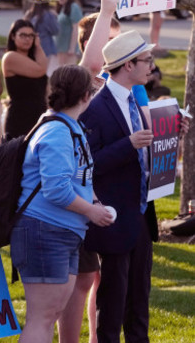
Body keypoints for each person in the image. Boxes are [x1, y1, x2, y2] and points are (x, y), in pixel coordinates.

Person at [78, 29, 188, 342]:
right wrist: (127, 144)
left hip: (141, 213)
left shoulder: (136, 103)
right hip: (112, 217)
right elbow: (87, 165)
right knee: (112, 305)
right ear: (128, 66)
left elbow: (146, 154)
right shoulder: (95, 108)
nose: (151, 66)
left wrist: (173, 132)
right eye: (146, 60)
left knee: (139, 300)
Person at [11, 65, 114, 343]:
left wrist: (93, 201)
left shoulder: (69, 126)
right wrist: (91, 210)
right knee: (42, 317)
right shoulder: (57, 131)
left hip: (61, 231)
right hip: (45, 231)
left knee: (52, 312)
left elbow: (76, 179)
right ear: (85, 95)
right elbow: (56, 190)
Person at [2, 19, 48, 141]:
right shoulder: (10, 57)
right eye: (23, 35)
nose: (27, 39)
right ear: (13, 36)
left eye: (31, 35)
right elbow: (41, 69)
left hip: (38, 117)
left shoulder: (35, 58)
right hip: (19, 121)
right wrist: (38, 47)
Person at [24, 1, 60, 75]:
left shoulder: (29, 14)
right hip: (46, 45)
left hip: (30, 44)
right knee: (44, 71)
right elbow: (56, 31)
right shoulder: (48, 15)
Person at [56, 0, 83, 66]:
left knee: (69, 70)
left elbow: (76, 28)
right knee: (61, 70)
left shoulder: (74, 7)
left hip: (68, 47)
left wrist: (72, 48)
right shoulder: (63, 8)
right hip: (61, 46)